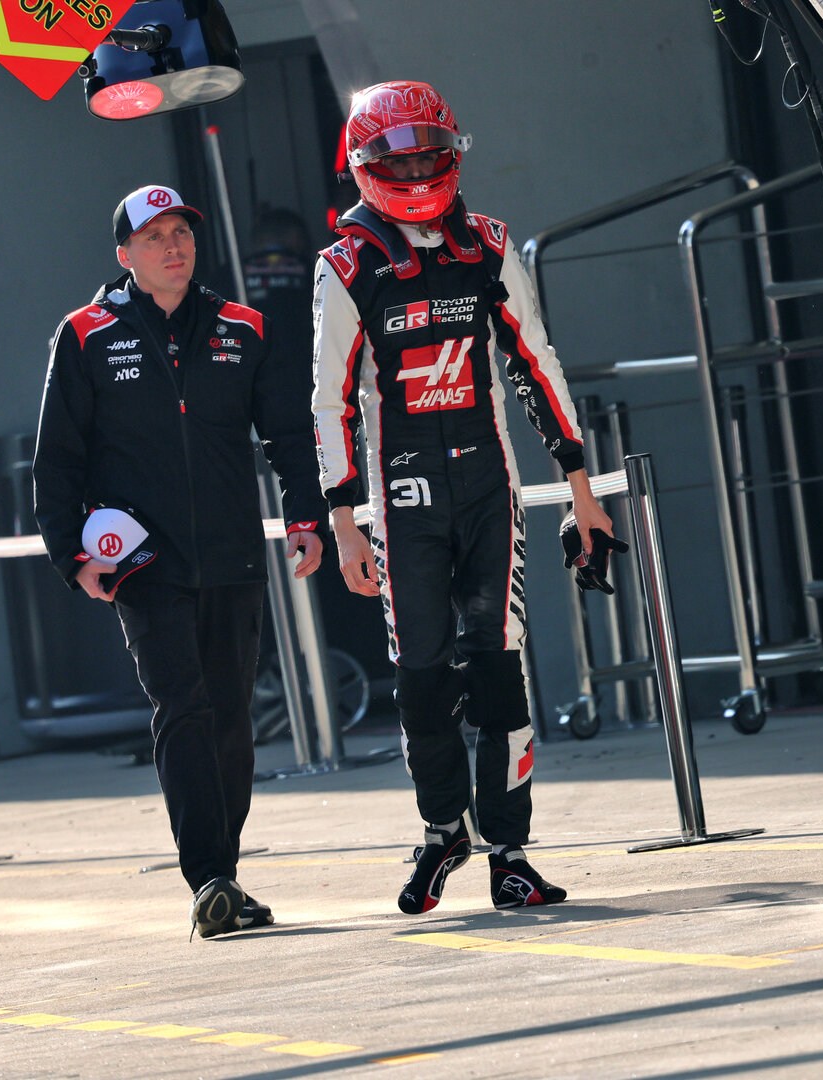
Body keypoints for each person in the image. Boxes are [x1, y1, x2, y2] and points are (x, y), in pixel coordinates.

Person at [312, 80, 614, 914]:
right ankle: (443, 829)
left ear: (452, 154)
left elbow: (536, 361)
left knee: (498, 667)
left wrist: (582, 490)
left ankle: (509, 852)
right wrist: (343, 522)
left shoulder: (488, 243)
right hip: (402, 496)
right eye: (398, 160)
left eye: (428, 156)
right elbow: (329, 402)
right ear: (363, 164)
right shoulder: (345, 264)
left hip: (489, 486)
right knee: (420, 675)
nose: (416, 172)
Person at [34, 184, 326, 939]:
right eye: (154, 236)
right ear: (125, 253)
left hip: (234, 556)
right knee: (183, 708)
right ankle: (210, 877)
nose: (173, 246)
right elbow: (57, 456)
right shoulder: (85, 333)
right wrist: (71, 555)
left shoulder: (245, 327)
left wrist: (306, 517)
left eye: (182, 233)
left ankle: (223, 875)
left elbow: (290, 435)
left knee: (231, 719)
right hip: (142, 562)